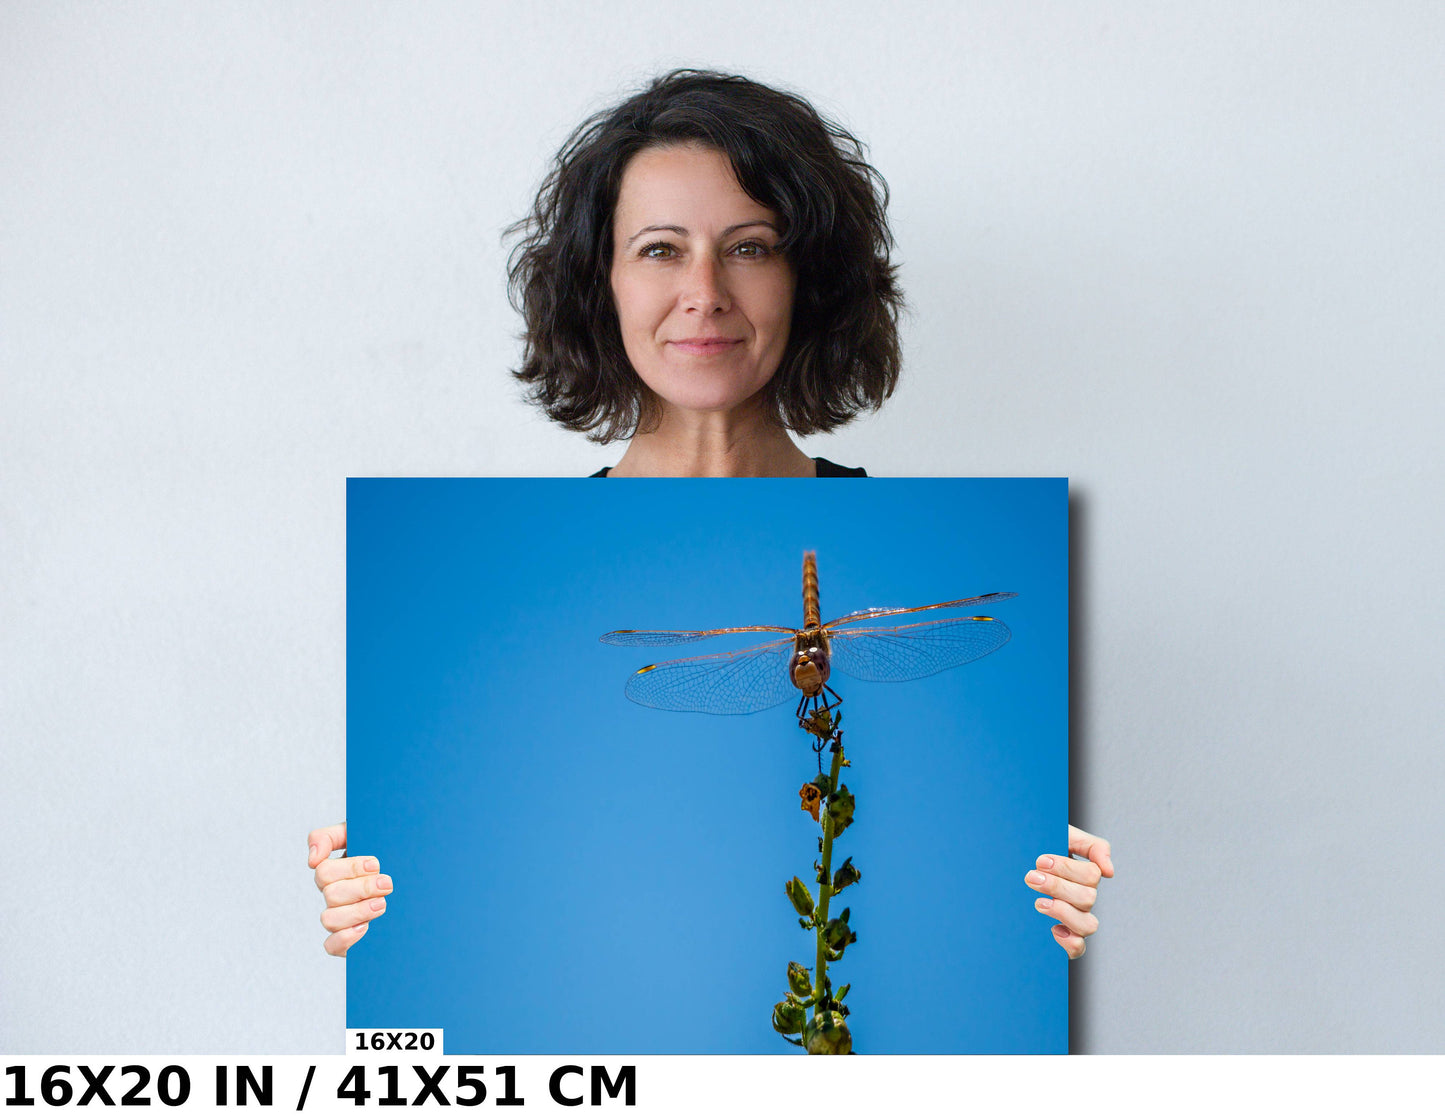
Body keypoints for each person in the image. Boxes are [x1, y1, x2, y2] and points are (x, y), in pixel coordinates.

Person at [309, 69, 1113, 961]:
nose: (705, 291)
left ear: (807, 280)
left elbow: (955, 839)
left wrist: (1036, 901)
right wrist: (386, 901)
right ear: (599, 282)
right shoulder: (499, 582)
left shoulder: (925, 554)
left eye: (750, 246)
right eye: (659, 249)